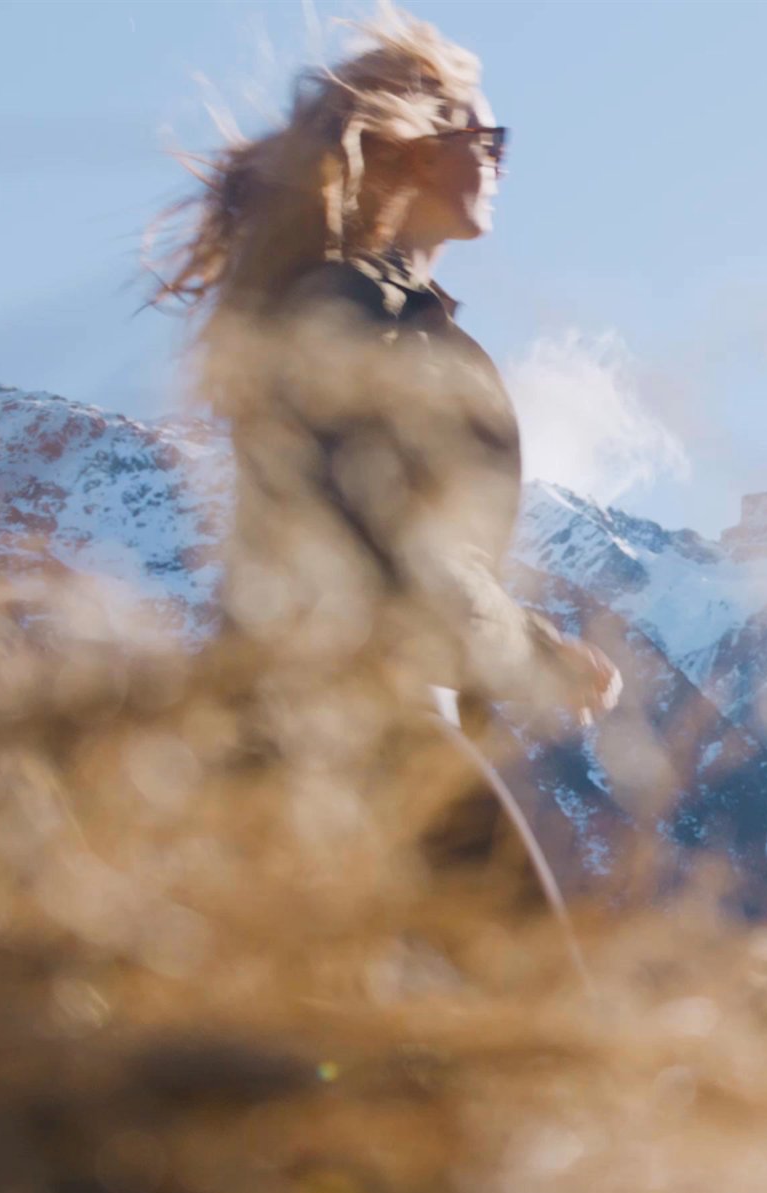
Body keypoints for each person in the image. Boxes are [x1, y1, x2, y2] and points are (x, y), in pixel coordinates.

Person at [150, 13, 618, 953]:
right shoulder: (355, 306)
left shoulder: (372, 305)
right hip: (354, 721)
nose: (498, 160)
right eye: (479, 138)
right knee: (523, 1018)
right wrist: (531, 652)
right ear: (405, 152)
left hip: (317, 726)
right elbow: (385, 527)